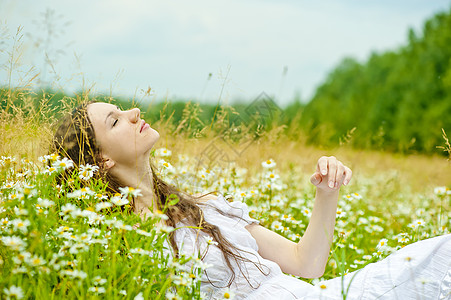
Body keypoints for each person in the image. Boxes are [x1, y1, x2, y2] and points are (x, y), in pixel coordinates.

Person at [53, 102, 451, 300]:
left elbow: (305, 264)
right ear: (101, 159)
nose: (134, 111)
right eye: (116, 120)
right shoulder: (117, 244)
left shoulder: (202, 206)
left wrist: (326, 194)